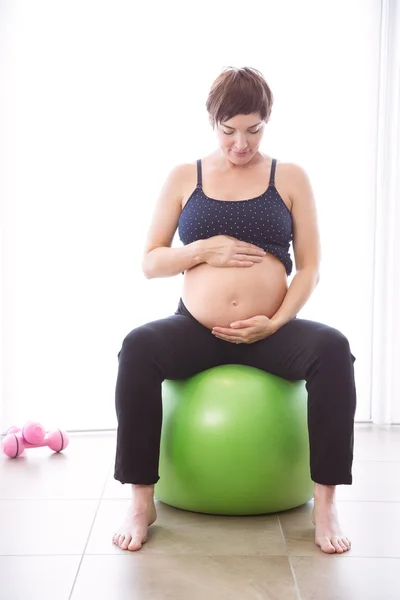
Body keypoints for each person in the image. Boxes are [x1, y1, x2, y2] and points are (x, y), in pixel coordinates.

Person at [112, 66, 357, 555]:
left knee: (333, 350)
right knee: (138, 347)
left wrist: (276, 320)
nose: (241, 144)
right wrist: (203, 251)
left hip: (271, 329)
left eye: (253, 129)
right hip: (196, 330)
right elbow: (151, 261)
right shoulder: (186, 177)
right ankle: (142, 500)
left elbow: (309, 268)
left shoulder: (289, 177)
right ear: (213, 122)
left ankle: (326, 502)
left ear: (267, 121)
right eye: (229, 131)